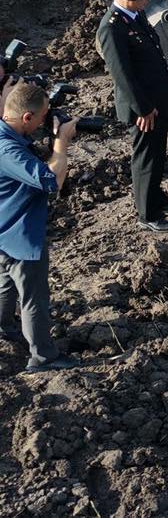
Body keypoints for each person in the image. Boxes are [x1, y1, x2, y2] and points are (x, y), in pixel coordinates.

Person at [0, 81, 79, 373]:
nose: (47, 120)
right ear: (26, 118)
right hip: (20, 235)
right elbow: (52, 182)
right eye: (44, 116)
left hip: (4, 230)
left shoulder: (6, 134)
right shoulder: (8, 150)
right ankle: (43, 357)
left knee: (5, 284)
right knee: (34, 298)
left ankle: (4, 326)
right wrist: (61, 143)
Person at [97, 0, 168, 232]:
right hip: (142, 107)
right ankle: (148, 214)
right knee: (146, 158)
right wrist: (143, 108)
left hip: (156, 99)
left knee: (157, 154)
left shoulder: (134, 15)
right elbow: (122, 73)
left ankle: (157, 200)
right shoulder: (112, 26)